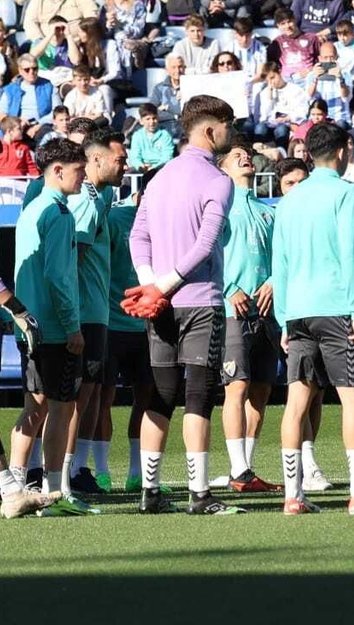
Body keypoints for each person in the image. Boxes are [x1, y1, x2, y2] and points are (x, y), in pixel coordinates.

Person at [267, 122, 354, 515]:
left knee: (296, 402)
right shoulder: (347, 193)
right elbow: (349, 252)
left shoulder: (289, 199)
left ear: (309, 154)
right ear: (345, 150)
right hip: (334, 306)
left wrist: (282, 318)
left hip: (296, 311)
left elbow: (280, 261)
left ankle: (293, 495)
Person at [118, 97, 242, 515]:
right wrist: (162, 288)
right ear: (211, 130)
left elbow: (137, 237)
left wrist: (150, 286)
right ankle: (199, 493)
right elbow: (205, 246)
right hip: (199, 300)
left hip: (161, 305)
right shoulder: (218, 180)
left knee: (161, 394)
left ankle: (149, 492)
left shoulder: (159, 178)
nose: (231, 133)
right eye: (228, 125)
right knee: (199, 396)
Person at [6, 137, 97, 517]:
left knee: (35, 406)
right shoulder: (59, 215)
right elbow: (59, 276)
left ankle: (14, 485)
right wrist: (73, 326)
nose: (83, 176)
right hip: (55, 330)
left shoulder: (31, 210)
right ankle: (55, 490)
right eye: (78, 169)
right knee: (61, 408)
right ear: (58, 171)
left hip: (32, 326)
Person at [214, 145, 281, 493]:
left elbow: (281, 258)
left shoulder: (268, 211)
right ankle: (238, 469)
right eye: (235, 155)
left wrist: (272, 281)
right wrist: (228, 289)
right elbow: (206, 254)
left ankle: (246, 468)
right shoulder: (220, 209)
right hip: (232, 311)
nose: (244, 158)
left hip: (266, 312)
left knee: (261, 390)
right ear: (223, 167)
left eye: (246, 154)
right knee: (236, 386)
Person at [65, 131, 128, 496]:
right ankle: (67, 471)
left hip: (93, 311)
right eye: (120, 159)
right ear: (97, 160)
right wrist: (71, 316)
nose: (126, 165)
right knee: (79, 397)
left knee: (86, 395)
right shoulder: (87, 202)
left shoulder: (94, 198)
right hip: (86, 312)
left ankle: (74, 467)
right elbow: (73, 262)